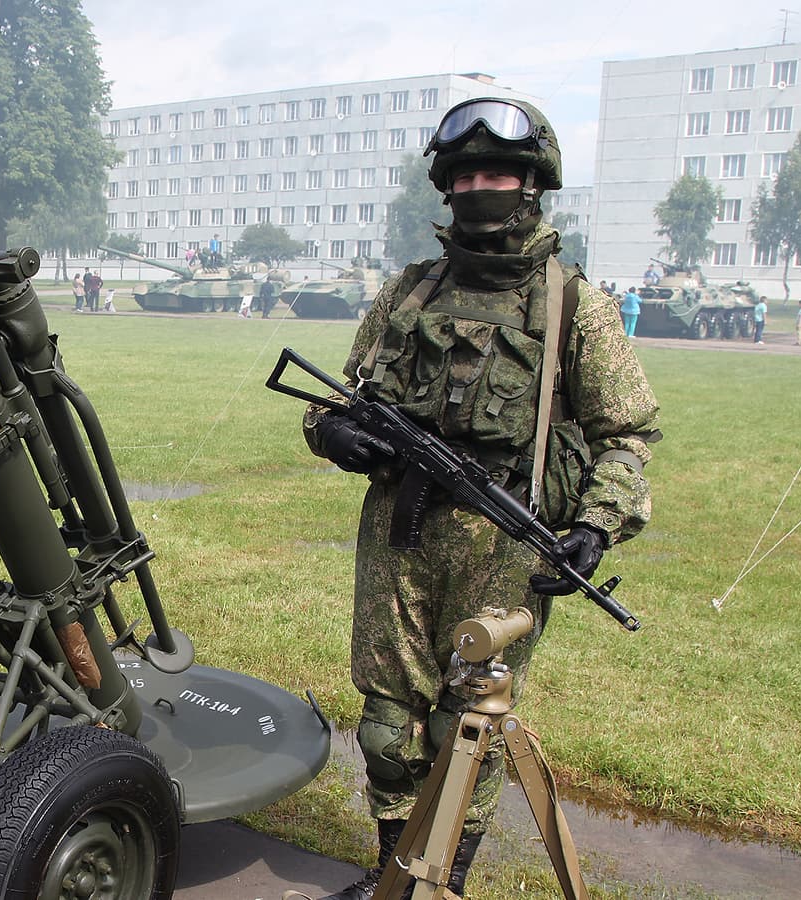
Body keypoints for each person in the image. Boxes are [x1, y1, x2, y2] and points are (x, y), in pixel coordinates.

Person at [298, 98, 660, 900]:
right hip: (398, 535)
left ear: (531, 187)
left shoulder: (574, 305)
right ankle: (394, 874)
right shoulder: (409, 293)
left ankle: (443, 883)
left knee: (467, 725)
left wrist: (595, 527)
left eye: (496, 174)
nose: (477, 189)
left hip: (506, 546)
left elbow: (627, 433)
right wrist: (333, 433)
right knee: (388, 723)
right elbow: (337, 397)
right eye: (464, 176)